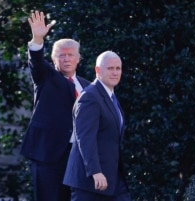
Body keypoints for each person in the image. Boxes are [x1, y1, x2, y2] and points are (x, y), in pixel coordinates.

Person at [20, 10, 90, 201]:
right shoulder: (47, 77)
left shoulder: (88, 86)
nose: (66, 59)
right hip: (48, 155)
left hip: (78, 157)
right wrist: (37, 39)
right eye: (61, 55)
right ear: (53, 59)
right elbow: (36, 62)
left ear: (78, 59)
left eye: (70, 55)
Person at [63, 50, 132, 201]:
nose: (115, 73)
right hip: (90, 181)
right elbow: (85, 138)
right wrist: (95, 171)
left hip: (112, 179)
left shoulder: (110, 97)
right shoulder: (90, 97)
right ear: (98, 71)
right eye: (110, 68)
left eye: (118, 68)